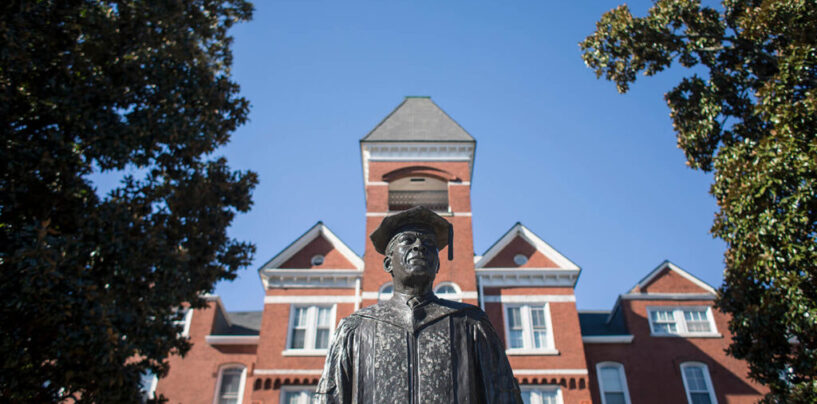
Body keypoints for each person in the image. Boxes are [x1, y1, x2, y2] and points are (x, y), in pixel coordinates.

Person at [314, 206, 522, 403]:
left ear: (437, 264)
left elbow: (503, 395)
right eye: (407, 240)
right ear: (388, 263)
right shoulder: (356, 329)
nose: (419, 246)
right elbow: (329, 398)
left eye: (429, 244)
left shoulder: (471, 323)